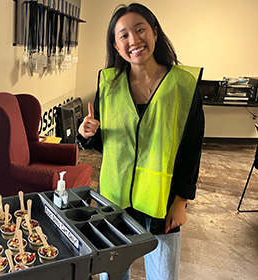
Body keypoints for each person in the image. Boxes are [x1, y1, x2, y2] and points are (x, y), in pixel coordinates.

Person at [76, 3, 204, 280]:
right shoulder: (109, 85)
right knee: (112, 272)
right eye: (123, 35)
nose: (133, 40)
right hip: (114, 198)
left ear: (155, 33)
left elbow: (192, 149)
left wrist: (181, 201)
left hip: (162, 200)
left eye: (140, 29)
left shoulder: (182, 85)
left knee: (163, 274)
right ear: (116, 45)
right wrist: (86, 134)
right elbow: (105, 142)